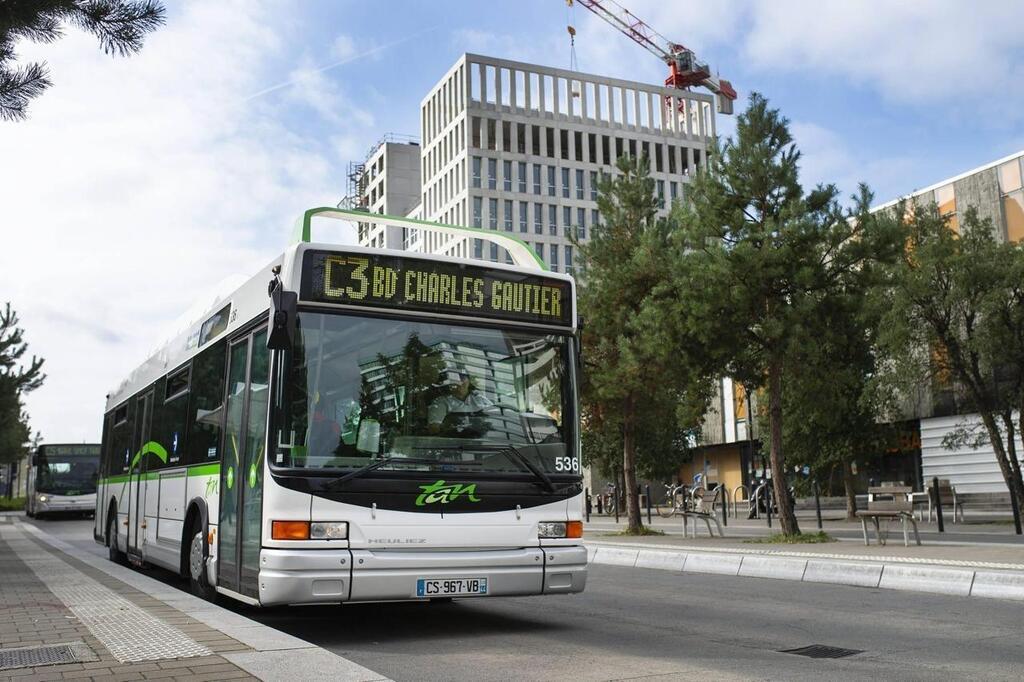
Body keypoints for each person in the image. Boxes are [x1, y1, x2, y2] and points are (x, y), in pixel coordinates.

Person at [427, 369, 493, 436]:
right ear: (448, 383)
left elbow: (494, 418)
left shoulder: (479, 398)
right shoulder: (440, 402)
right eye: (454, 379)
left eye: (462, 378)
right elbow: (434, 428)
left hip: (482, 441)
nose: (459, 382)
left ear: (469, 381)